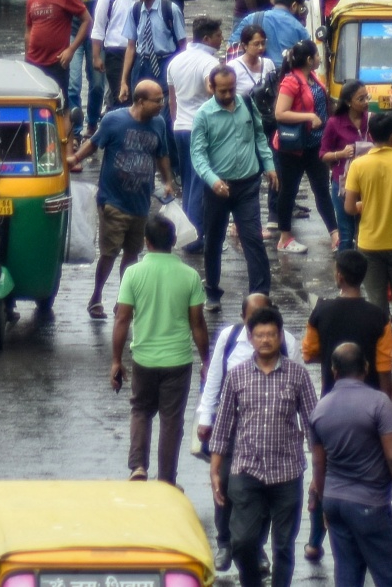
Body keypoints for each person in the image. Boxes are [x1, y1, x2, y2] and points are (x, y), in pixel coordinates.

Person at [210, 305, 317, 587]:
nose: (266, 340)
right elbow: (223, 426)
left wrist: (320, 476)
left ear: (280, 336)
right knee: (242, 541)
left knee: (283, 546)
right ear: (251, 337)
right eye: (260, 335)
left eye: (271, 334)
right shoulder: (237, 376)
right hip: (246, 471)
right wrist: (215, 469)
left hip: (287, 473)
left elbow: (312, 428)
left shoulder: (297, 376)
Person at [110, 214, 209, 485]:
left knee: (141, 410)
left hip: (143, 358)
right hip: (178, 360)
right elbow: (198, 323)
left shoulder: (133, 273)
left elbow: (122, 319)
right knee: (171, 420)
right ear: (174, 241)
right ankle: (166, 479)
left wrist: (116, 361)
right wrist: (206, 360)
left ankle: (138, 467)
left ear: (146, 242)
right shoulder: (189, 276)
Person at [309, 344, 392, 587]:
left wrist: (323, 501)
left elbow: (318, 463)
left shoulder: (320, 409)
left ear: (334, 370)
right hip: (370, 504)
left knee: (347, 575)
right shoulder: (378, 402)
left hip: (335, 503)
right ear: (367, 368)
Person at [73, 79, 179, 318]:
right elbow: (94, 144)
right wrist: (75, 158)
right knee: (109, 253)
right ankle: (96, 297)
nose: (161, 105)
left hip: (140, 202)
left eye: (162, 100)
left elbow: (161, 154)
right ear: (140, 101)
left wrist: (168, 181)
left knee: (132, 255)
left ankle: (124, 299)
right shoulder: (114, 120)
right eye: (157, 101)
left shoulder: (159, 123)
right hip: (113, 201)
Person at [198, 293, 285, 569]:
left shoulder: (286, 344)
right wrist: (205, 416)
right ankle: (224, 542)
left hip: (269, 429)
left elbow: (297, 383)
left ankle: (257, 546)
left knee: (264, 487)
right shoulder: (228, 338)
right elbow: (213, 378)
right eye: (252, 320)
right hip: (231, 426)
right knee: (223, 481)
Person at [192, 65, 278, 301]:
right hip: (217, 188)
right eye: (223, 91)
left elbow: (260, 136)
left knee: (253, 239)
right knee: (214, 239)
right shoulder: (203, 116)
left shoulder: (247, 105)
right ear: (212, 88)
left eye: (231, 89)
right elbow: (198, 155)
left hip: (247, 185)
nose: (228, 95)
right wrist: (213, 180)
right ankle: (212, 291)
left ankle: (260, 294)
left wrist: (269, 166)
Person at [343, 111, 392, 357]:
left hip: (369, 245)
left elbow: (349, 207)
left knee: (377, 304)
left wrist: (365, 206)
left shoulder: (359, 165)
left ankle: (381, 356)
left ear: (370, 135)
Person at [272, 40, 339, 254]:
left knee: (322, 190)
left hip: (314, 145)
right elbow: (280, 113)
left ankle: (335, 234)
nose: (320, 58)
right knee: (288, 191)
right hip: (292, 148)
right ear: (309, 60)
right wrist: (309, 116)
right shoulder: (291, 81)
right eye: (317, 56)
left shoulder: (313, 79)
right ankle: (284, 238)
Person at [168, 16, 227, 252]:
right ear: (207, 38)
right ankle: (193, 238)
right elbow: (212, 91)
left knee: (189, 181)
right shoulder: (209, 64)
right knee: (199, 184)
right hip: (200, 129)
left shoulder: (176, 61)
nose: (221, 39)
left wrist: (176, 122)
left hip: (180, 127)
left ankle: (187, 233)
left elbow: (172, 99)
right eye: (218, 35)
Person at [303, 252, 392, 392]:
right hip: (369, 400)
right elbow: (384, 368)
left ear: (340, 276)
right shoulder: (379, 317)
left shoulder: (321, 312)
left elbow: (308, 355)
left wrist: (329, 355)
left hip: (331, 398)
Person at [58, 0, 116, 137]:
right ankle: (76, 129)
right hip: (72, 32)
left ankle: (92, 123)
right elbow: (58, 0)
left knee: (98, 84)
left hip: (98, 35)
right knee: (72, 84)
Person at [24, 0, 91, 104]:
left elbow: (87, 20)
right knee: (34, 102)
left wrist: (71, 49)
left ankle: (71, 127)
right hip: (34, 62)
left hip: (57, 62)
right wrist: (27, 58)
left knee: (60, 104)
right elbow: (29, 29)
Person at [91, 0, 146, 113]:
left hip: (141, 53)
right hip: (115, 53)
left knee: (140, 95)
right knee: (121, 96)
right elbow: (98, 26)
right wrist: (96, 56)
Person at [124, 0, 188, 102]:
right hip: (141, 63)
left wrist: (182, 72)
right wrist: (123, 80)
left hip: (165, 62)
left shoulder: (170, 9)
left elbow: (182, 45)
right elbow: (130, 47)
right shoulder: (135, 10)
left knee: (163, 104)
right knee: (140, 104)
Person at [321, 82, 372, 245]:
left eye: (367, 97)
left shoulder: (371, 120)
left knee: (367, 230)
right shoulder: (334, 123)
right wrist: (341, 154)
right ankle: (344, 269)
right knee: (346, 232)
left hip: (369, 182)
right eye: (361, 98)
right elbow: (323, 154)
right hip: (343, 184)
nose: (366, 102)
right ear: (349, 102)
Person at [240, 0, 310, 69]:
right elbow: (308, 61)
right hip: (286, 79)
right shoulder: (300, 29)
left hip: (254, 76)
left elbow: (232, 48)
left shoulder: (250, 19)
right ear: (294, 6)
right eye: (301, 7)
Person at [228, 25, 275, 102]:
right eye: (256, 44)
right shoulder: (233, 66)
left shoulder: (268, 64)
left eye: (263, 43)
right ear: (244, 45)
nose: (261, 47)